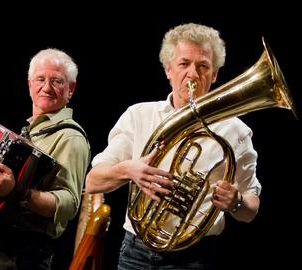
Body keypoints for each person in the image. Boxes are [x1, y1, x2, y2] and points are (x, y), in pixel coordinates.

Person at [85, 23, 261, 269]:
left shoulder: (236, 131)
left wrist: (236, 201)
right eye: (183, 63)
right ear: (168, 69)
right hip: (135, 253)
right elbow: (93, 181)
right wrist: (129, 170)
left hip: (195, 257)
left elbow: (251, 208)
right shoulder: (139, 115)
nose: (192, 74)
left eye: (203, 66)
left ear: (215, 75)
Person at [0, 48, 91, 270]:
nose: (47, 87)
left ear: (71, 89)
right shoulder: (29, 131)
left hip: (23, 252)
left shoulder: (71, 137)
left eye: (57, 81)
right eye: (40, 79)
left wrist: (16, 192)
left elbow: (69, 204)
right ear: (30, 84)